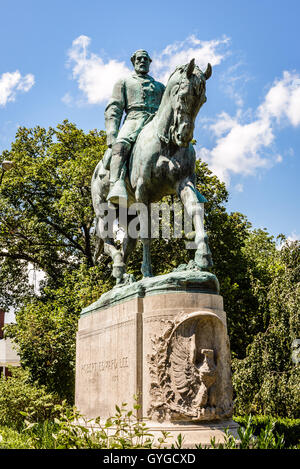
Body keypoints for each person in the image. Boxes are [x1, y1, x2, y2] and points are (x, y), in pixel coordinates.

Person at [104, 49, 165, 206]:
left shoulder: (160, 86)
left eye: (146, 58)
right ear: (133, 62)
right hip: (134, 120)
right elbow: (114, 107)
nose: (142, 61)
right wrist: (112, 133)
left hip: (155, 122)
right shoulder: (124, 82)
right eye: (139, 58)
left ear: (150, 62)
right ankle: (115, 185)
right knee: (121, 145)